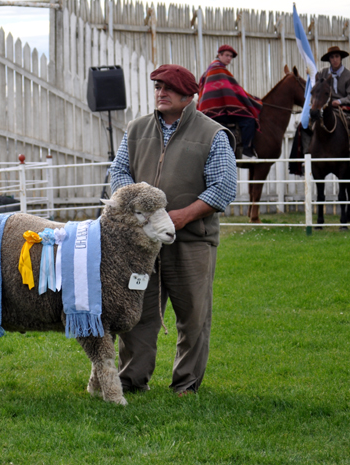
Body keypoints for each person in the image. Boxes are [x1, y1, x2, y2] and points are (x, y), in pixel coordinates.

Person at [109, 64, 237, 395]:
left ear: (188, 95)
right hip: (142, 244)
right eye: (157, 87)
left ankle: (186, 385)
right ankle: (131, 381)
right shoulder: (136, 130)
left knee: (194, 317)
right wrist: (140, 206)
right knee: (137, 315)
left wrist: (181, 218)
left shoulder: (213, 134)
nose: (160, 93)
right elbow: (119, 172)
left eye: (168, 88)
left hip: (193, 241)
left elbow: (222, 188)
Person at [197, 44, 262, 159]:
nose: (229, 59)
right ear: (219, 55)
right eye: (227, 55)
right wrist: (251, 100)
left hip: (207, 110)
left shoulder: (210, 68)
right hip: (215, 112)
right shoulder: (218, 69)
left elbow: (229, 90)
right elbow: (234, 90)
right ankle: (246, 149)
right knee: (249, 120)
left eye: (230, 57)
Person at [316, 46, 350, 166]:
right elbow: (314, 86)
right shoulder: (322, 73)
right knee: (307, 122)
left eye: (337, 56)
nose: (335, 59)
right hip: (326, 108)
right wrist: (310, 74)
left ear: (341, 58)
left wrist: (340, 101)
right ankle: (306, 155)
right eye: (332, 57)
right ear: (329, 60)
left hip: (344, 108)